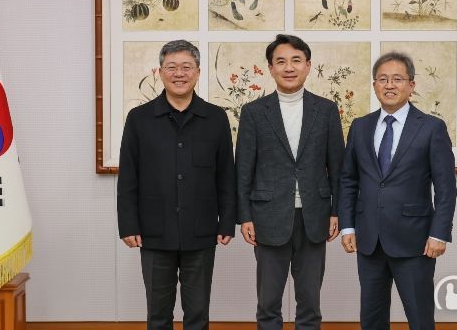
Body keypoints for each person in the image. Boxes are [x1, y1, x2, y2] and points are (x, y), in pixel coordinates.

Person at [117, 40, 236, 330]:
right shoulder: (139, 119)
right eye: (171, 67)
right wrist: (128, 225)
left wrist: (226, 222)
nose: (179, 73)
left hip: (201, 231)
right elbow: (128, 177)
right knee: (158, 316)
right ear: (160, 72)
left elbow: (226, 175)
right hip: (154, 231)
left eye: (186, 67)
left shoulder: (216, 118)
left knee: (198, 315)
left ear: (198, 72)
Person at [338, 52, 457, 330]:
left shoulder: (431, 128)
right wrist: (347, 227)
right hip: (369, 240)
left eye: (397, 79)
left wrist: (439, 234)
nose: (389, 85)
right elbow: (348, 180)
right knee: (371, 319)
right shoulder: (360, 126)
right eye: (382, 79)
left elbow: (446, 188)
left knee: (420, 318)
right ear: (374, 85)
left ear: (411, 85)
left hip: (415, 241)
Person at [236, 34, 344, 330]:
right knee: (268, 303)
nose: (289, 67)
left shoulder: (326, 110)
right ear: (270, 68)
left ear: (308, 66)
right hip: (267, 217)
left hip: (315, 217)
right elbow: (243, 170)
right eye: (281, 61)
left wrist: (337, 211)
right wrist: (245, 216)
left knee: (310, 303)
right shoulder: (254, 112)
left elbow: (338, 168)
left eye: (296, 60)